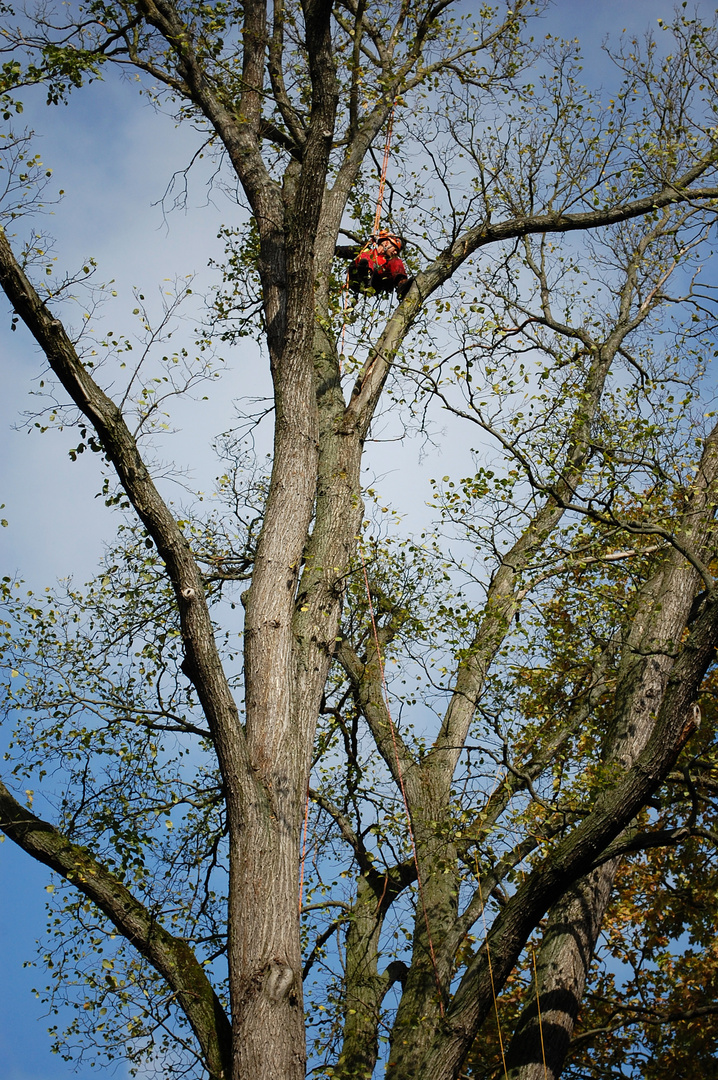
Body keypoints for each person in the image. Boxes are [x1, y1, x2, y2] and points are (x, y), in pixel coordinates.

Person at [346, 231, 412, 298]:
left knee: (396, 261)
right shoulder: (365, 251)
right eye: (395, 249)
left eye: (397, 252)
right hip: (356, 279)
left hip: (374, 284)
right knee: (366, 255)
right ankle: (364, 271)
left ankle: (401, 284)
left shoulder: (388, 263)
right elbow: (343, 251)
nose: (395, 252)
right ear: (386, 244)